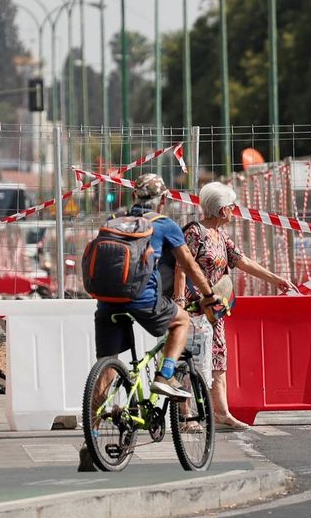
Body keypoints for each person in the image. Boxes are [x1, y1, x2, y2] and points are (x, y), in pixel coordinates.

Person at [91, 173, 224, 402]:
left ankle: (93, 422)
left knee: (107, 366)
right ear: (163, 200)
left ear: (135, 196)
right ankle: (164, 376)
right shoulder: (164, 225)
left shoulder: (112, 221)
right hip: (142, 300)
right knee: (181, 321)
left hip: (106, 301)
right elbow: (189, 265)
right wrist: (209, 295)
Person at [173, 181, 293, 430]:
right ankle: (185, 417)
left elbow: (242, 261)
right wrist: (180, 302)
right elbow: (181, 267)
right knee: (189, 360)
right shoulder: (195, 232)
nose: (234, 210)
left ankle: (222, 412)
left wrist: (276, 280)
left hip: (214, 311)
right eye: (231, 206)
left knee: (218, 358)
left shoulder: (220, 236)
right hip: (193, 310)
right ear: (221, 210)